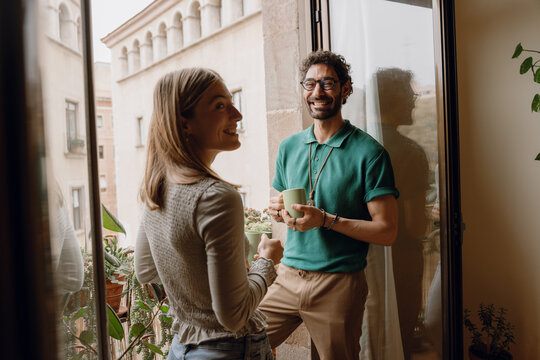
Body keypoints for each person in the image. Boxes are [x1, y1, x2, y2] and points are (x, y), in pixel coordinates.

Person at [259, 51, 399, 360]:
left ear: (346, 88)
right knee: (241, 346)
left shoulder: (370, 153)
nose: (317, 92)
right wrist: (277, 211)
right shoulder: (289, 146)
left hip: (338, 285)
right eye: (310, 84)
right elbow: (284, 208)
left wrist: (325, 220)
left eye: (327, 83)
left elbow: (387, 232)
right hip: (288, 277)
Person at [135, 68, 283, 360]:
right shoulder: (216, 197)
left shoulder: (157, 186)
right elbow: (234, 316)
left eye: (231, 102)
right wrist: (266, 262)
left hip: (182, 348)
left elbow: (146, 269)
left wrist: (200, 292)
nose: (237, 114)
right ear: (184, 123)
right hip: (229, 349)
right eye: (220, 106)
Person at [376, 68, 430, 359]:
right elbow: (415, 226)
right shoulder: (410, 153)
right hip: (401, 265)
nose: (414, 101)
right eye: (410, 95)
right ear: (395, 99)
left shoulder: (354, 144)